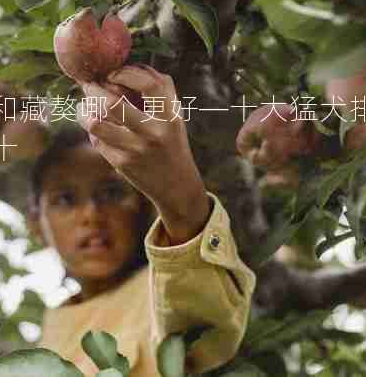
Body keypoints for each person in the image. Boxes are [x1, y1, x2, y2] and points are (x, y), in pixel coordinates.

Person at [27, 64, 256, 376]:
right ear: (35, 224)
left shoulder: (161, 290)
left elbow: (201, 320)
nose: (91, 215)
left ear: (143, 204)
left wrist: (181, 197)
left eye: (110, 193)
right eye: (65, 199)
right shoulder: (49, 336)